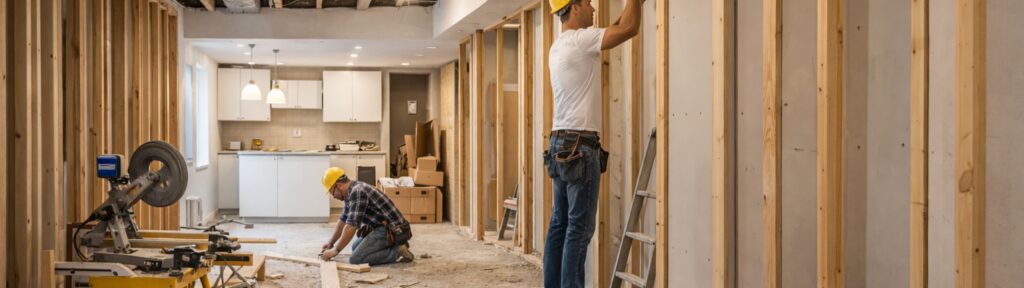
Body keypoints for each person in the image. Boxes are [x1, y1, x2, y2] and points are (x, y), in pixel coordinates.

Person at [543, 0, 642, 287]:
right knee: (579, 230)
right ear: (574, 7)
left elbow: (617, 27)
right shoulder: (581, 41)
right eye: (587, 3)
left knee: (560, 226)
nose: (593, 7)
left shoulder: (559, 45)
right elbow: (630, 28)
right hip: (579, 147)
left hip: (560, 143)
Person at [318, 167, 415, 265]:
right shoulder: (350, 192)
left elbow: (351, 226)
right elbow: (343, 220)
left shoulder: (357, 192)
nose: (334, 196)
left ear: (338, 185)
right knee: (354, 248)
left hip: (394, 230)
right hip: (380, 227)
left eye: (332, 192)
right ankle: (391, 246)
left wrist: (336, 250)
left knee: (356, 259)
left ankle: (397, 250)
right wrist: (331, 243)